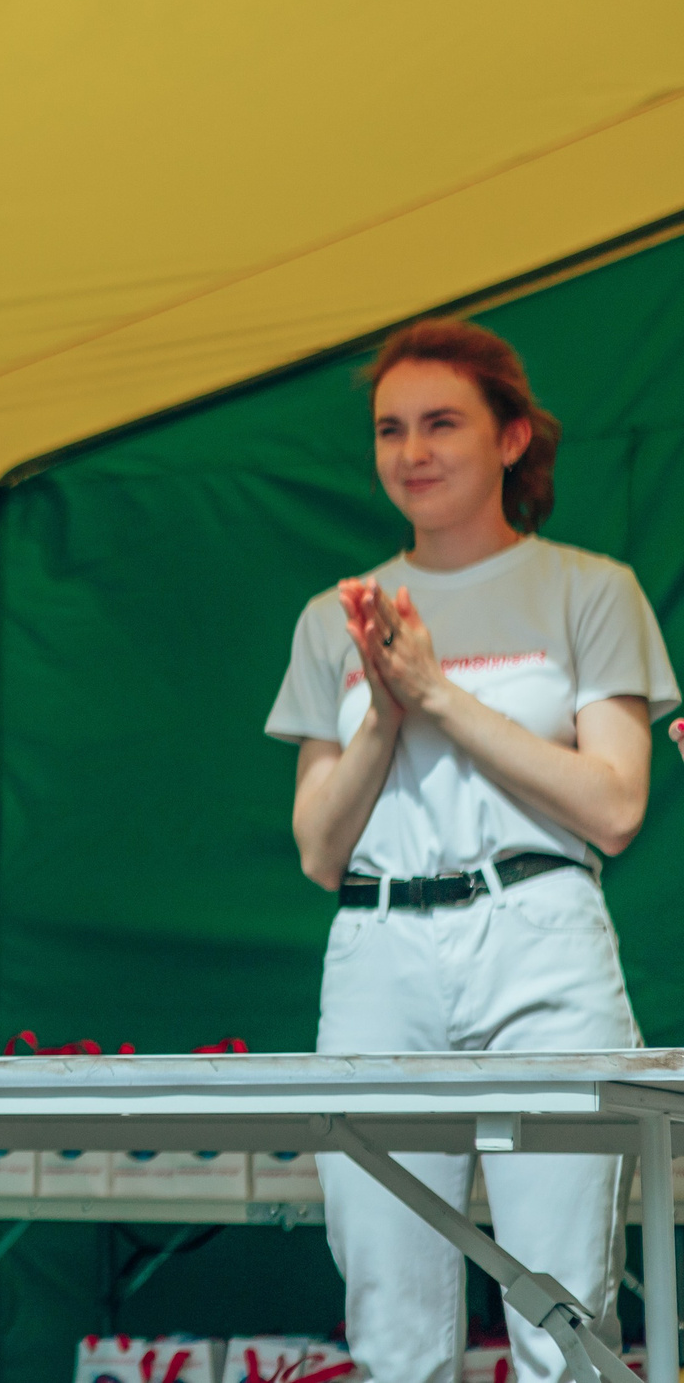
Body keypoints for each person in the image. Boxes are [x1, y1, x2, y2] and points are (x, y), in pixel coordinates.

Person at [267, 319, 673, 1383]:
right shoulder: (334, 617)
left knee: (562, 1298)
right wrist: (385, 715)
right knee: (387, 1306)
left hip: (538, 935)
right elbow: (316, 848)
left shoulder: (591, 588)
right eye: (389, 428)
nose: (411, 450)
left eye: (440, 421)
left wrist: (438, 693)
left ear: (509, 438)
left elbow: (617, 804)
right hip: (376, 944)